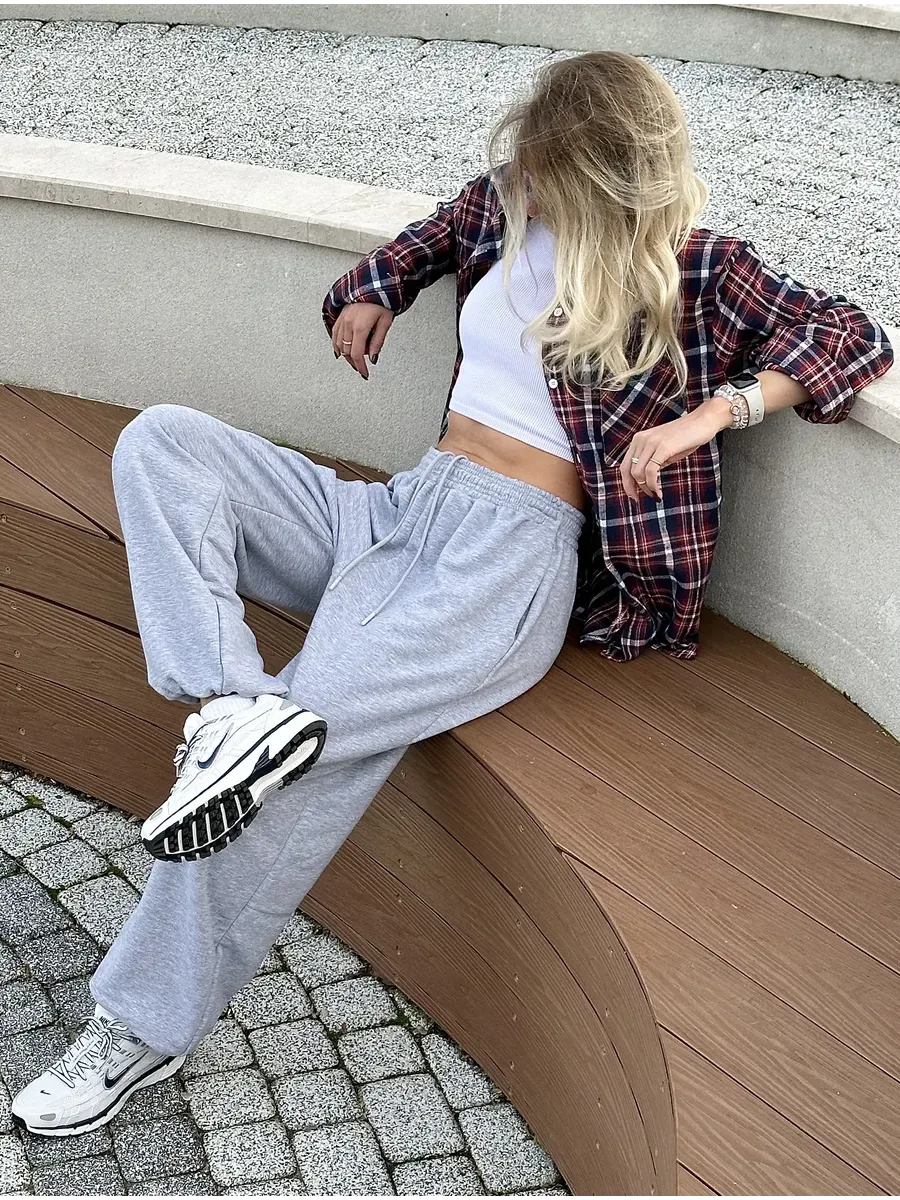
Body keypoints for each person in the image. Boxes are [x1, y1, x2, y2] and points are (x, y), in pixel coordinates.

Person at [11, 49, 893, 1137]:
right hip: (401, 510)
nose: (524, 176)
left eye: (548, 162)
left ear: (604, 171)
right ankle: (225, 700)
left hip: (505, 565)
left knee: (291, 758)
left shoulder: (692, 266)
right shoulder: (505, 207)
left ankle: (139, 1025)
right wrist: (375, 288)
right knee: (165, 445)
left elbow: (849, 336)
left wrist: (711, 416)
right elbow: (423, 240)